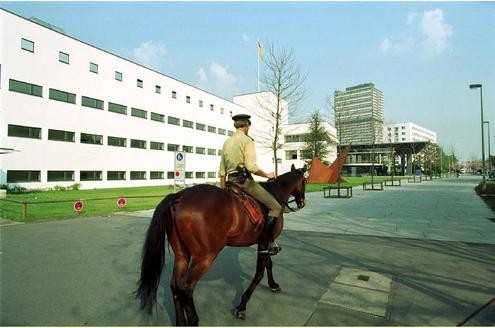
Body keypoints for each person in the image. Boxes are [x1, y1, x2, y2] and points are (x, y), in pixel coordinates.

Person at [219, 113, 283, 255]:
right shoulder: (247, 141)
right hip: (244, 183)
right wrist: (267, 175)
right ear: (246, 126)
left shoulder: (227, 142)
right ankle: (267, 242)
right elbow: (251, 167)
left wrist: (223, 188)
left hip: (230, 183)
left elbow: (222, 170)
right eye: (249, 126)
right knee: (275, 207)